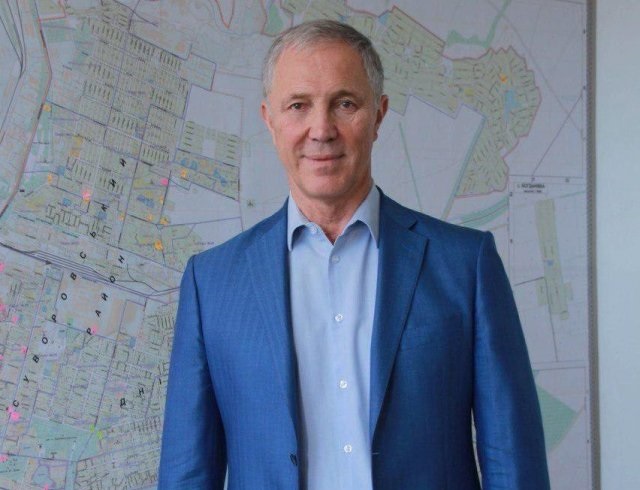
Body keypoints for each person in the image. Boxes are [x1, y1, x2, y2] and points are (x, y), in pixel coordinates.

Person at [158, 20, 550, 490]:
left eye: (345, 103)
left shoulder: (467, 267)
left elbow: (513, 462)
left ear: (379, 115)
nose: (321, 130)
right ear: (269, 120)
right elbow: (187, 474)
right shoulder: (212, 283)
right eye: (298, 105)